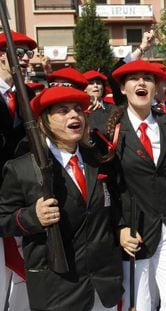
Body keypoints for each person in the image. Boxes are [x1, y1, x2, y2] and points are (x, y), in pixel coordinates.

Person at [0, 86, 123, 311]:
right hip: (57, 290)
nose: (74, 115)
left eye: (78, 109)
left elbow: (113, 203)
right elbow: (3, 219)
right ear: (45, 121)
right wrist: (31, 217)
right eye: (63, 111)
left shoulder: (98, 159)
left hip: (103, 285)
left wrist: (122, 228)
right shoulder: (21, 169)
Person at [107, 59, 166, 311]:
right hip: (135, 230)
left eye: (148, 78)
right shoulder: (113, 130)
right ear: (123, 88)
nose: (141, 83)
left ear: (156, 88)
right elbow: (108, 188)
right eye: (134, 78)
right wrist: (119, 227)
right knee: (139, 303)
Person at [0, 30, 37, 311]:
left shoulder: (30, 95)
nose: (27, 60)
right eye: (21, 53)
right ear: (3, 56)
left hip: (22, 200)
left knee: (22, 283)